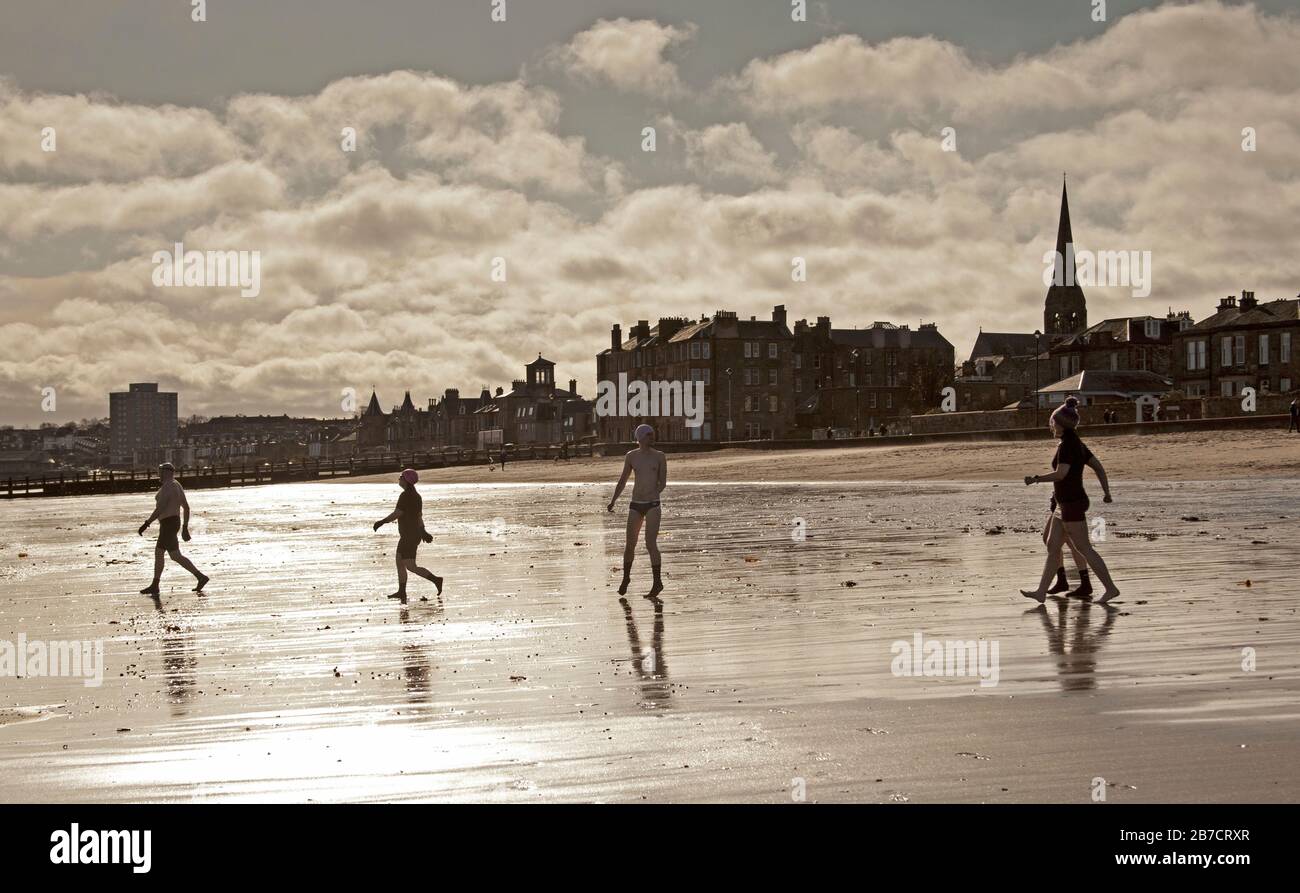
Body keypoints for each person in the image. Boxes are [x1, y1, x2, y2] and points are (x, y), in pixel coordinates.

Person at [1020, 397, 1120, 605]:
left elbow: (1061, 474)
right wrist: (1106, 492)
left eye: (1053, 423)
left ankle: (1111, 588)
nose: (1052, 426)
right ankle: (1041, 591)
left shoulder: (1068, 445)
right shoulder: (1077, 444)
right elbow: (1099, 468)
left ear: (1061, 424)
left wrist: (1036, 479)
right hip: (1063, 504)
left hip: (1072, 503)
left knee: (1084, 547)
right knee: (1051, 544)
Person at [607, 424, 668, 599]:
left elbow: (662, 482)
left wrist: (655, 492)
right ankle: (626, 578)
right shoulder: (631, 456)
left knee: (650, 544)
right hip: (636, 504)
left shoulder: (659, 456)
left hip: (653, 505)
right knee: (630, 544)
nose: (652, 437)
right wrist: (613, 500)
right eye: (649, 434)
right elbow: (623, 480)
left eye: (653, 434)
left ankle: (657, 582)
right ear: (640, 437)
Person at [138, 463, 208, 595]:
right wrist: (184, 527)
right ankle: (200, 577)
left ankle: (155, 585)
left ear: (166, 472)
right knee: (175, 555)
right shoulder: (177, 485)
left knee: (160, 553)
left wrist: (146, 523)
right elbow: (186, 508)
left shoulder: (168, 487)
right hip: (173, 523)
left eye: (160, 471)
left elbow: (160, 509)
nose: (159, 473)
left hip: (168, 524)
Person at [373, 468, 442, 601]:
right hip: (411, 534)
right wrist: (423, 531)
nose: (399, 479)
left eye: (401, 477)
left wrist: (382, 522)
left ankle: (436, 580)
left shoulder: (405, 496)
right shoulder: (416, 496)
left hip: (409, 536)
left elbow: (398, 513)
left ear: (406, 480)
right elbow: (419, 516)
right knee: (400, 562)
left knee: (410, 566)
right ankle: (402, 591)